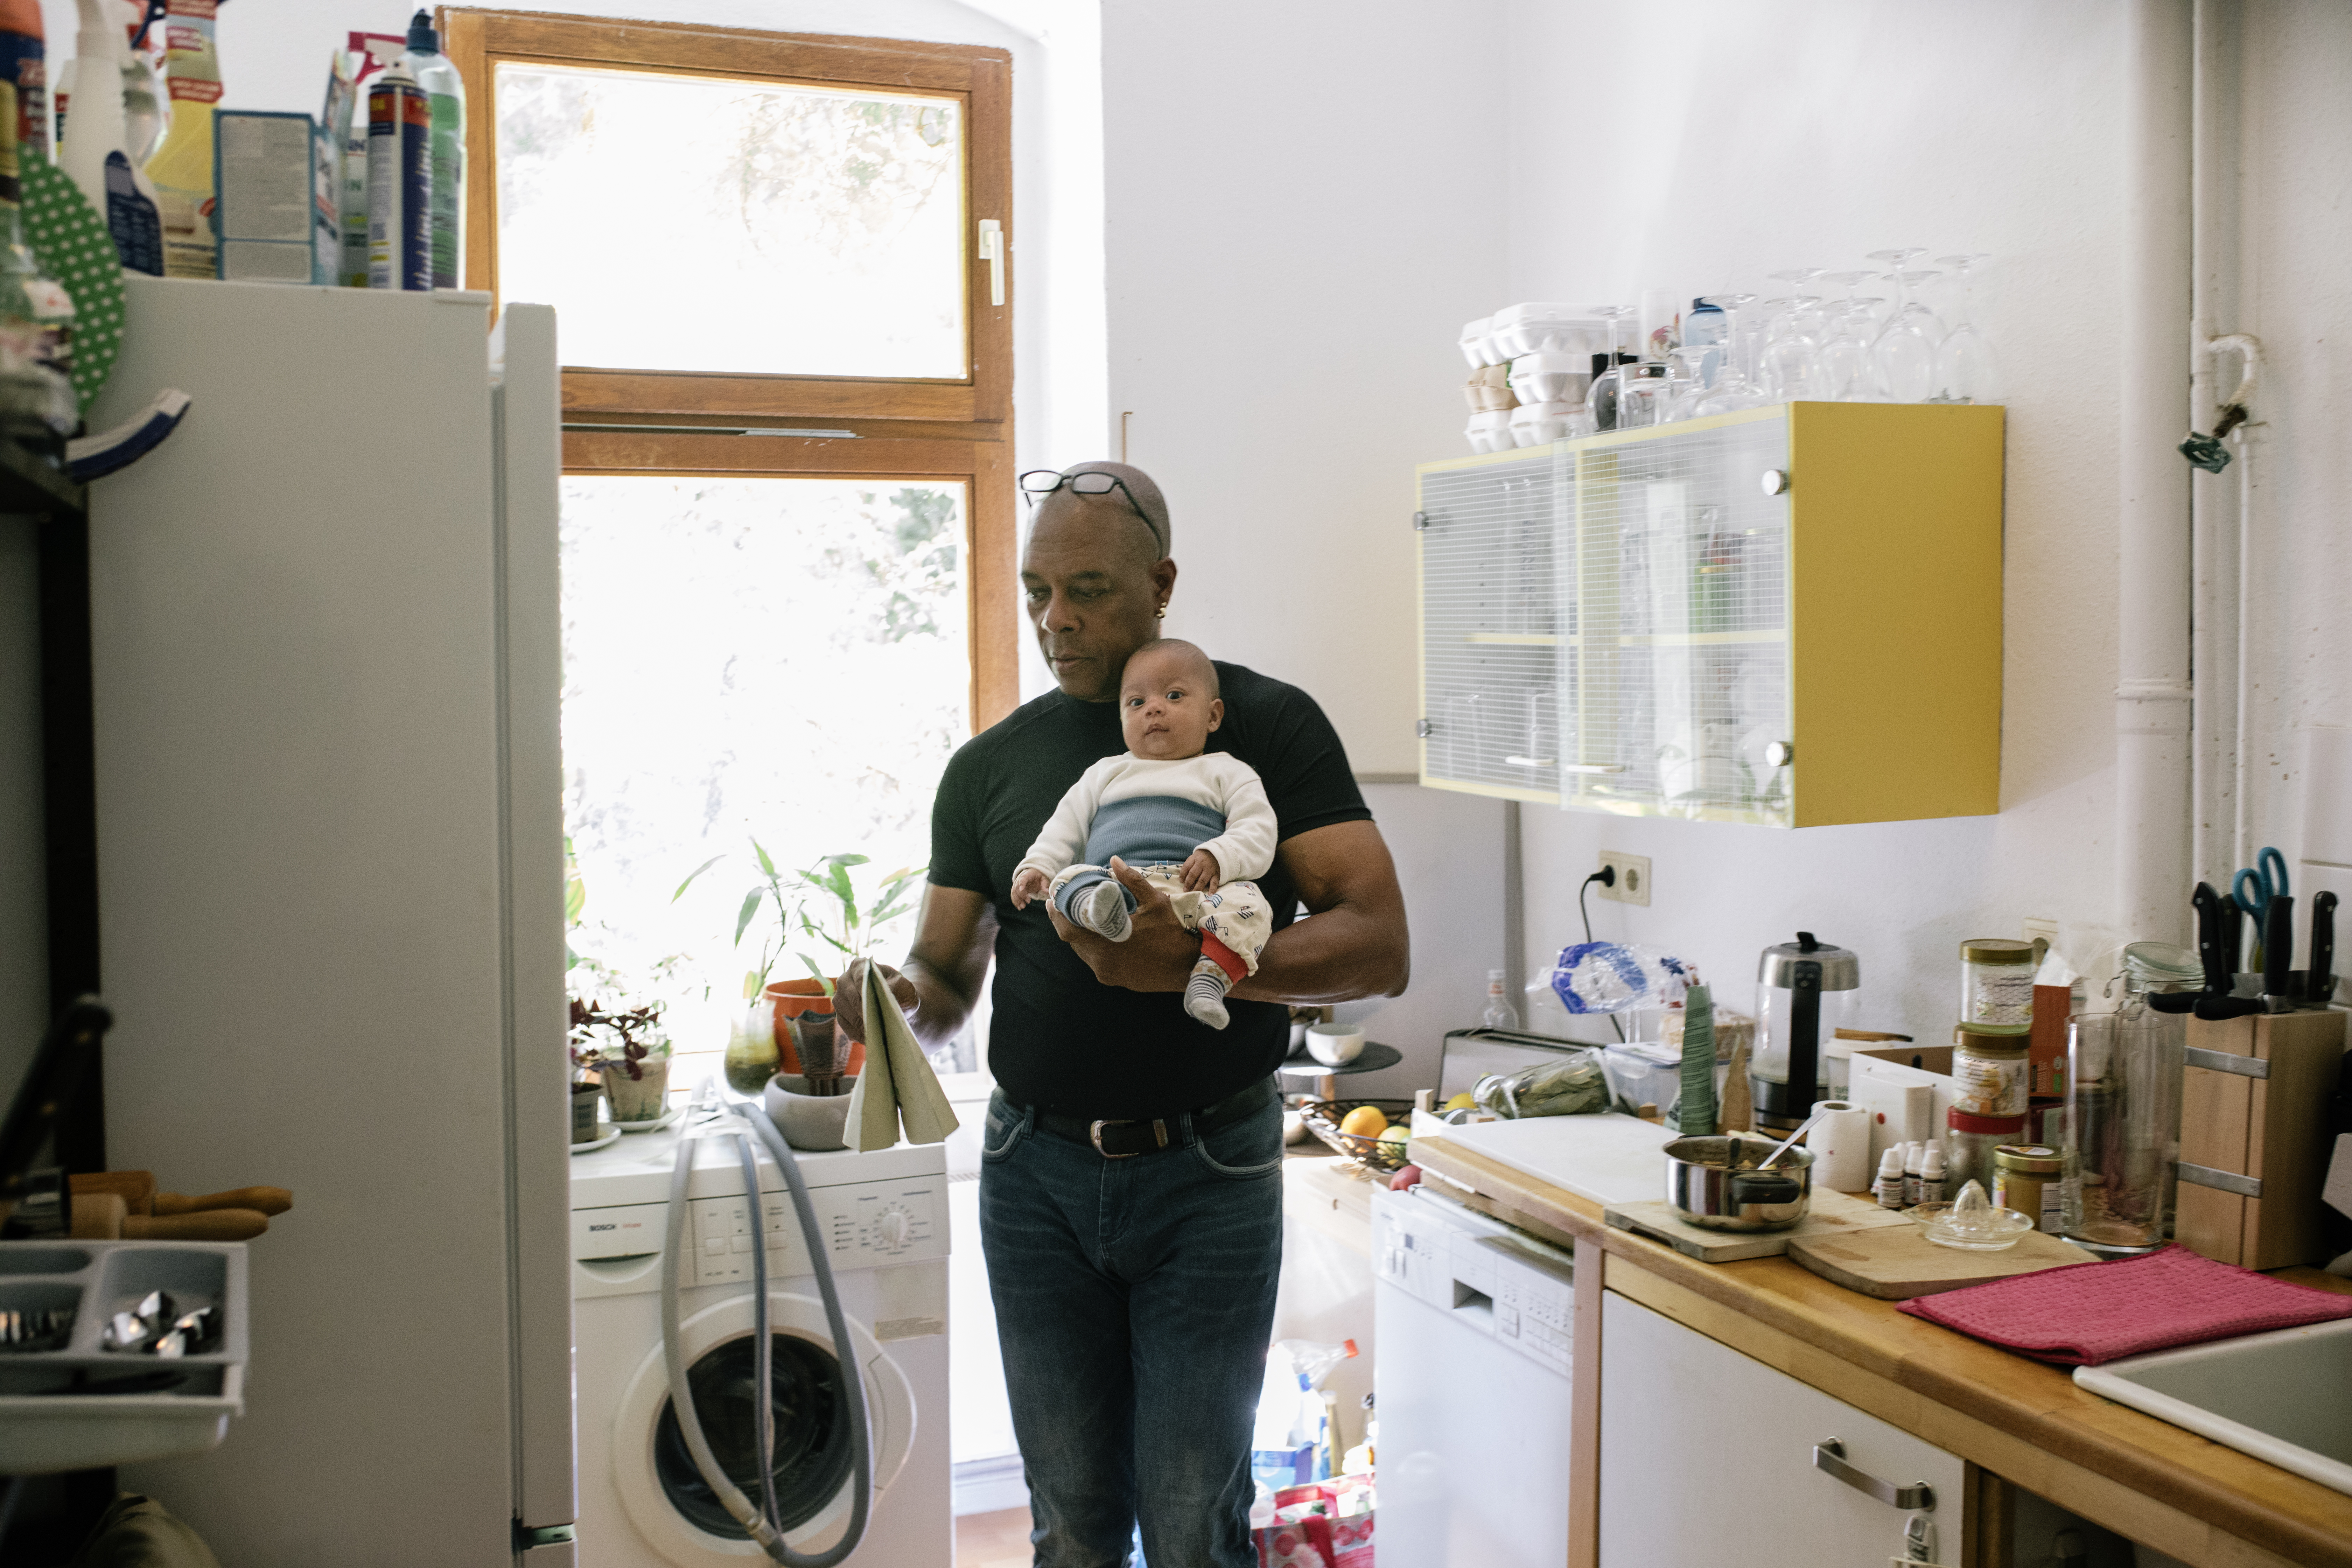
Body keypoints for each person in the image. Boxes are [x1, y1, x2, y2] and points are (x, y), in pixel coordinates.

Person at [836, 460, 1410, 1568]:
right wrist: (890, 1003)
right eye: (1037, 589)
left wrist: (1197, 965)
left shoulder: (1263, 728)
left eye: (1088, 588)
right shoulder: (989, 769)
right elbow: (945, 978)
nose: (1056, 618)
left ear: (1161, 581)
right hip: (1033, 1178)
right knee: (1071, 1522)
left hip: (1211, 1170)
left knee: (1193, 1518)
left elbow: (1380, 942)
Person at [1010, 637, 1276, 1029]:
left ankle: (1210, 981)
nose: (1153, 708)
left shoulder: (1227, 770)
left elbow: (1258, 829)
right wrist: (1039, 866)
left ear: (1213, 715)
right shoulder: (1106, 772)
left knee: (1253, 906)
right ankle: (1098, 910)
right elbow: (1063, 826)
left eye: (1173, 695)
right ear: (1121, 719)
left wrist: (1219, 854)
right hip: (1116, 882)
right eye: (1136, 703)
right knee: (1069, 879)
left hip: (1197, 887)